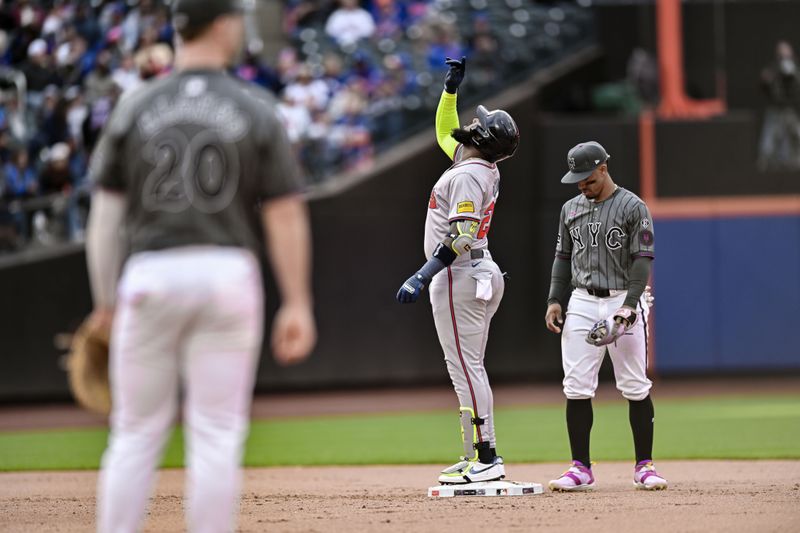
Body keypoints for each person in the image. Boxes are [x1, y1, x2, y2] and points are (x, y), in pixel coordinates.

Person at [86, 1, 317, 531]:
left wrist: (104, 302)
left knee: (135, 432)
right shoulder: (256, 107)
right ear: (223, 23)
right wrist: (298, 301)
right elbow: (284, 214)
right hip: (226, 274)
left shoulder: (135, 105)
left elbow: (105, 219)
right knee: (216, 432)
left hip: (149, 274)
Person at [396, 57, 520, 485]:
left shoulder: (468, 174)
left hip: (460, 274)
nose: (472, 120)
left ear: (482, 137)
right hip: (475, 273)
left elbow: (462, 235)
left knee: (466, 367)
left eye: (479, 121)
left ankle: (487, 456)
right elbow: (443, 129)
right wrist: (450, 90)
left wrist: (422, 273)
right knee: (469, 366)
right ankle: (475, 455)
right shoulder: (474, 164)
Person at [544, 141, 667, 492]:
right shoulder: (570, 209)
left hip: (620, 298)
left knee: (634, 384)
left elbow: (643, 259)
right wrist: (555, 298)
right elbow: (562, 258)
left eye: (588, 178)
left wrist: (629, 305)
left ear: (603, 168)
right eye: (577, 179)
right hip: (581, 300)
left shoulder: (633, 206)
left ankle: (645, 465)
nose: (582, 185)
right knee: (576, 386)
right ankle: (580, 467)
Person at [757, 40, 800, 172]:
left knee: (797, 135)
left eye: (788, 53)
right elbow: (764, 85)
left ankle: (794, 163)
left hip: (790, 110)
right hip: (775, 110)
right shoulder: (772, 69)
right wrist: (773, 76)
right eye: (782, 54)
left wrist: (793, 74)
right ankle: (764, 167)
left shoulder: (795, 69)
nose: (785, 57)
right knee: (769, 141)